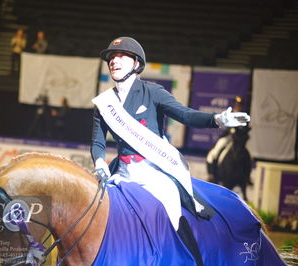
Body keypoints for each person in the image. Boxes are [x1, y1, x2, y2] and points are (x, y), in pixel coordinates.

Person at [90, 37, 250, 242]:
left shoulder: (153, 92)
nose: (114, 60)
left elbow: (186, 115)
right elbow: (98, 143)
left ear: (137, 63)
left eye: (121, 56)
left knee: (173, 213)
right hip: (121, 171)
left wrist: (217, 119)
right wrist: (100, 162)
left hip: (153, 170)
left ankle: (189, 256)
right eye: (112, 57)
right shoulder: (104, 103)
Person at [206, 96, 246, 183]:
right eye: (236, 104)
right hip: (228, 137)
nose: (238, 106)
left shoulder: (244, 115)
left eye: (239, 105)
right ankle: (212, 174)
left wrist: (240, 130)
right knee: (214, 152)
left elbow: (245, 127)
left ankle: (247, 175)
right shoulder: (230, 113)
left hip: (239, 139)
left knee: (247, 155)